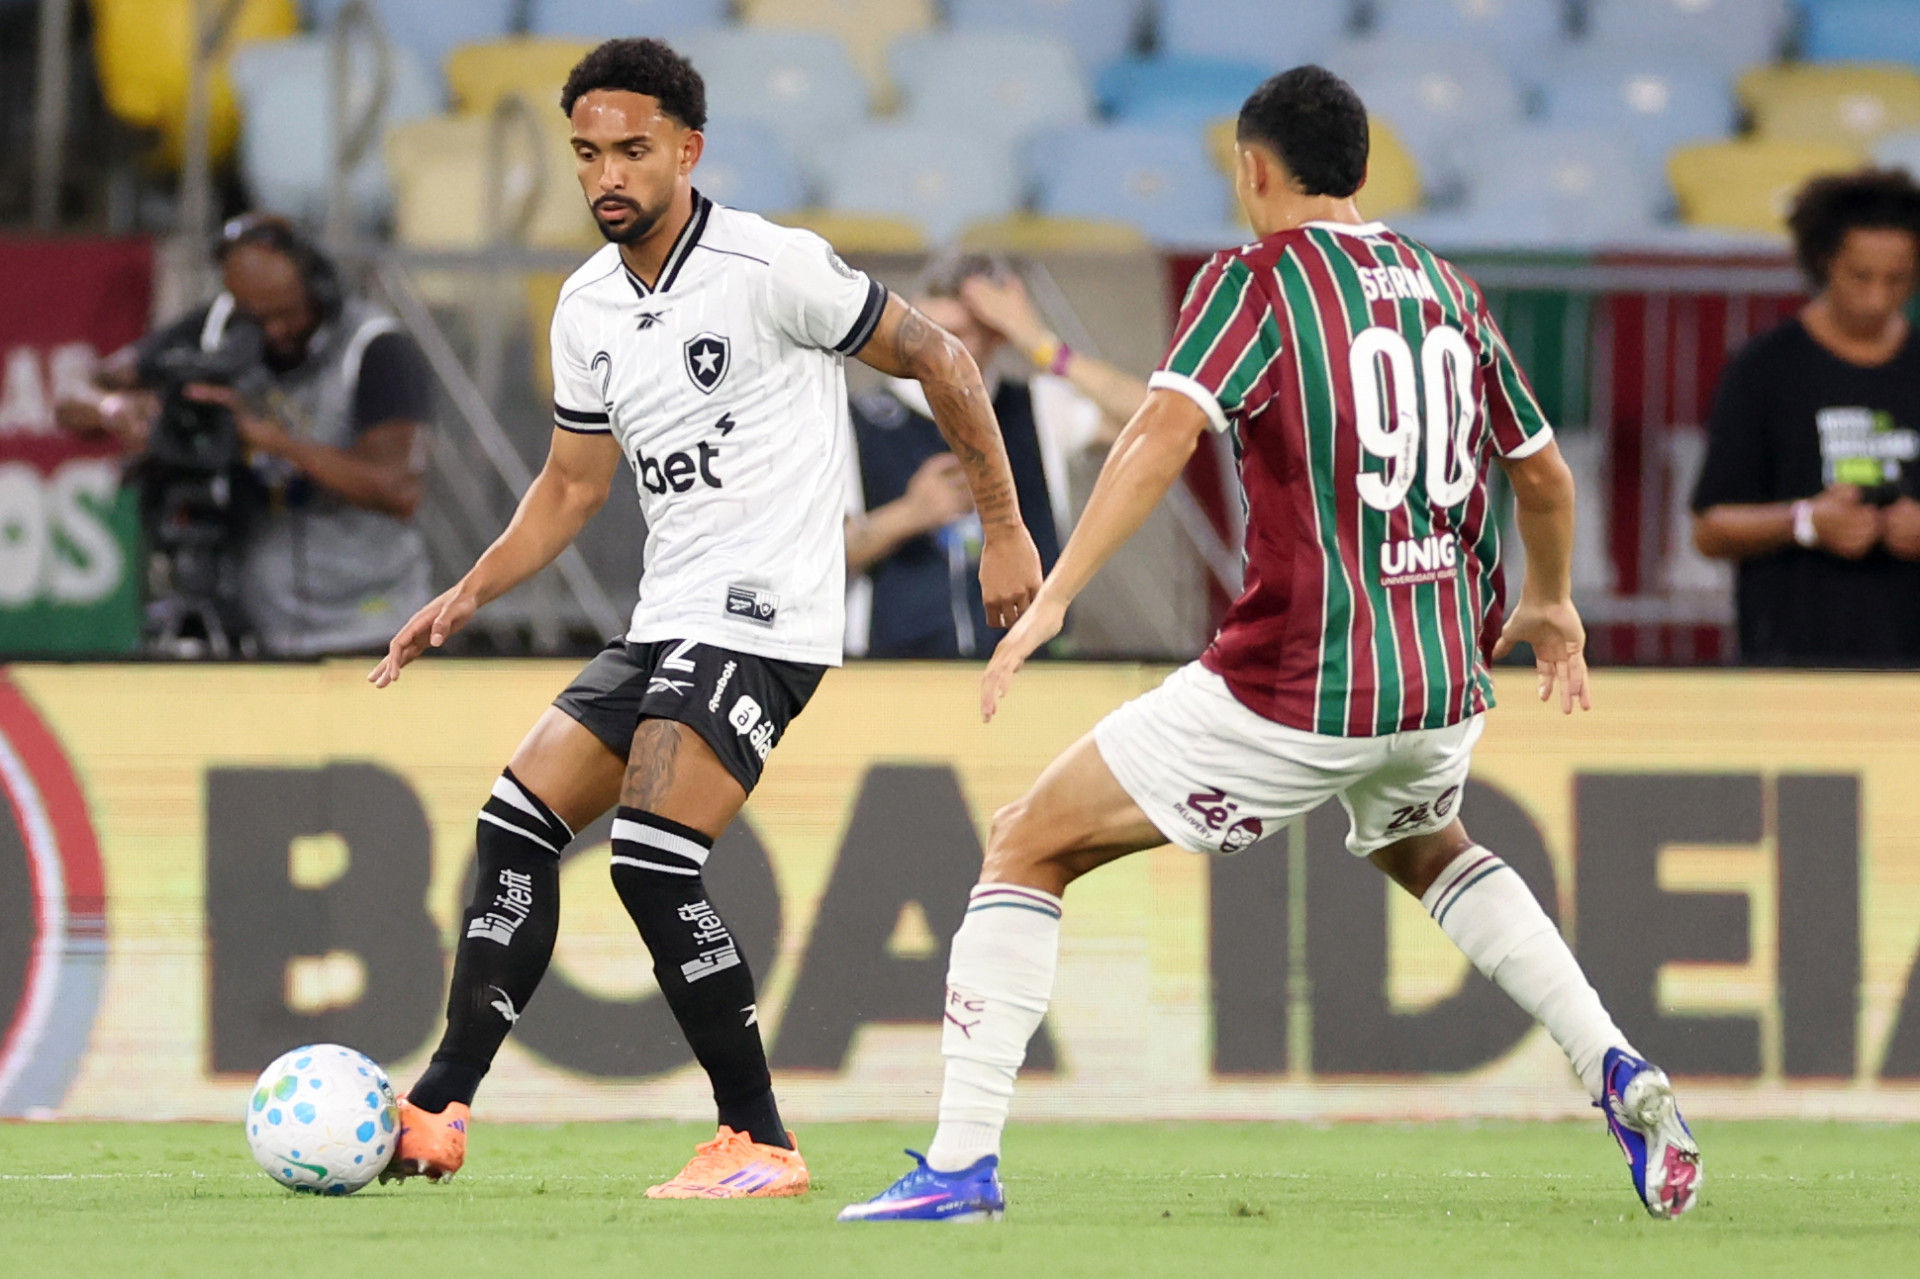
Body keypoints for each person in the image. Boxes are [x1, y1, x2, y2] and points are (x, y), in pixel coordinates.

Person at [841, 66, 1701, 1225]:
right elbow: (1542, 475)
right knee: (1430, 845)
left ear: (1253, 169)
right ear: (1364, 168)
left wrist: (1055, 594)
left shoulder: (1254, 281)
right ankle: (1613, 1063)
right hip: (1442, 677)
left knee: (1027, 844)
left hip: (1300, 681)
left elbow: (1160, 433)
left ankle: (959, 1165)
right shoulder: (1445, 286)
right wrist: (1550, 600)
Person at [367, 38, 1041, 1198]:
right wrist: (468, 593)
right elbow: (571, 486)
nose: (607, 175)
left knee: (649, 859)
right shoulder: (586, 306)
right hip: (667, 617)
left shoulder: (772, 266)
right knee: (515, 823)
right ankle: (438, 1108)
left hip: (767, 616)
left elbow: (938, 356)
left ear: (688, 150)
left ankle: (759, 1139)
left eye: (631, 150)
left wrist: (1006, 527)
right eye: (587, 154)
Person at [55, 215, 433, 656]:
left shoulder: (375, 348)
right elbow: (74, 395)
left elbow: (398, 489)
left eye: (286, 313)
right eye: (258, 317)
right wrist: (115, 409)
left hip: (372, 624)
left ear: (318, 289)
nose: (274, 330)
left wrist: (276, 444)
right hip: (258, 626)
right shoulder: (216, 330)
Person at [844, 253, 1139, 657]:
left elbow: (1159, 421)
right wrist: (910, 514)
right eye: (923, 331)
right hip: (896, 668)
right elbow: (814, 560)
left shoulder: (1036, 406)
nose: (934, 350)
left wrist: (1039, 343)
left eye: (957, 335)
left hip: (1030, 665)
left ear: (997, 336)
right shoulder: (861, 418)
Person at [1691, 168, 1920, 665]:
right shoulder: (1764, 368)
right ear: (1824, 261)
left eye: (1897, 279)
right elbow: (1710, 527)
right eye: (1860, 276)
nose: (1877, 298)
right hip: (1792, 662)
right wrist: (1806, 521)